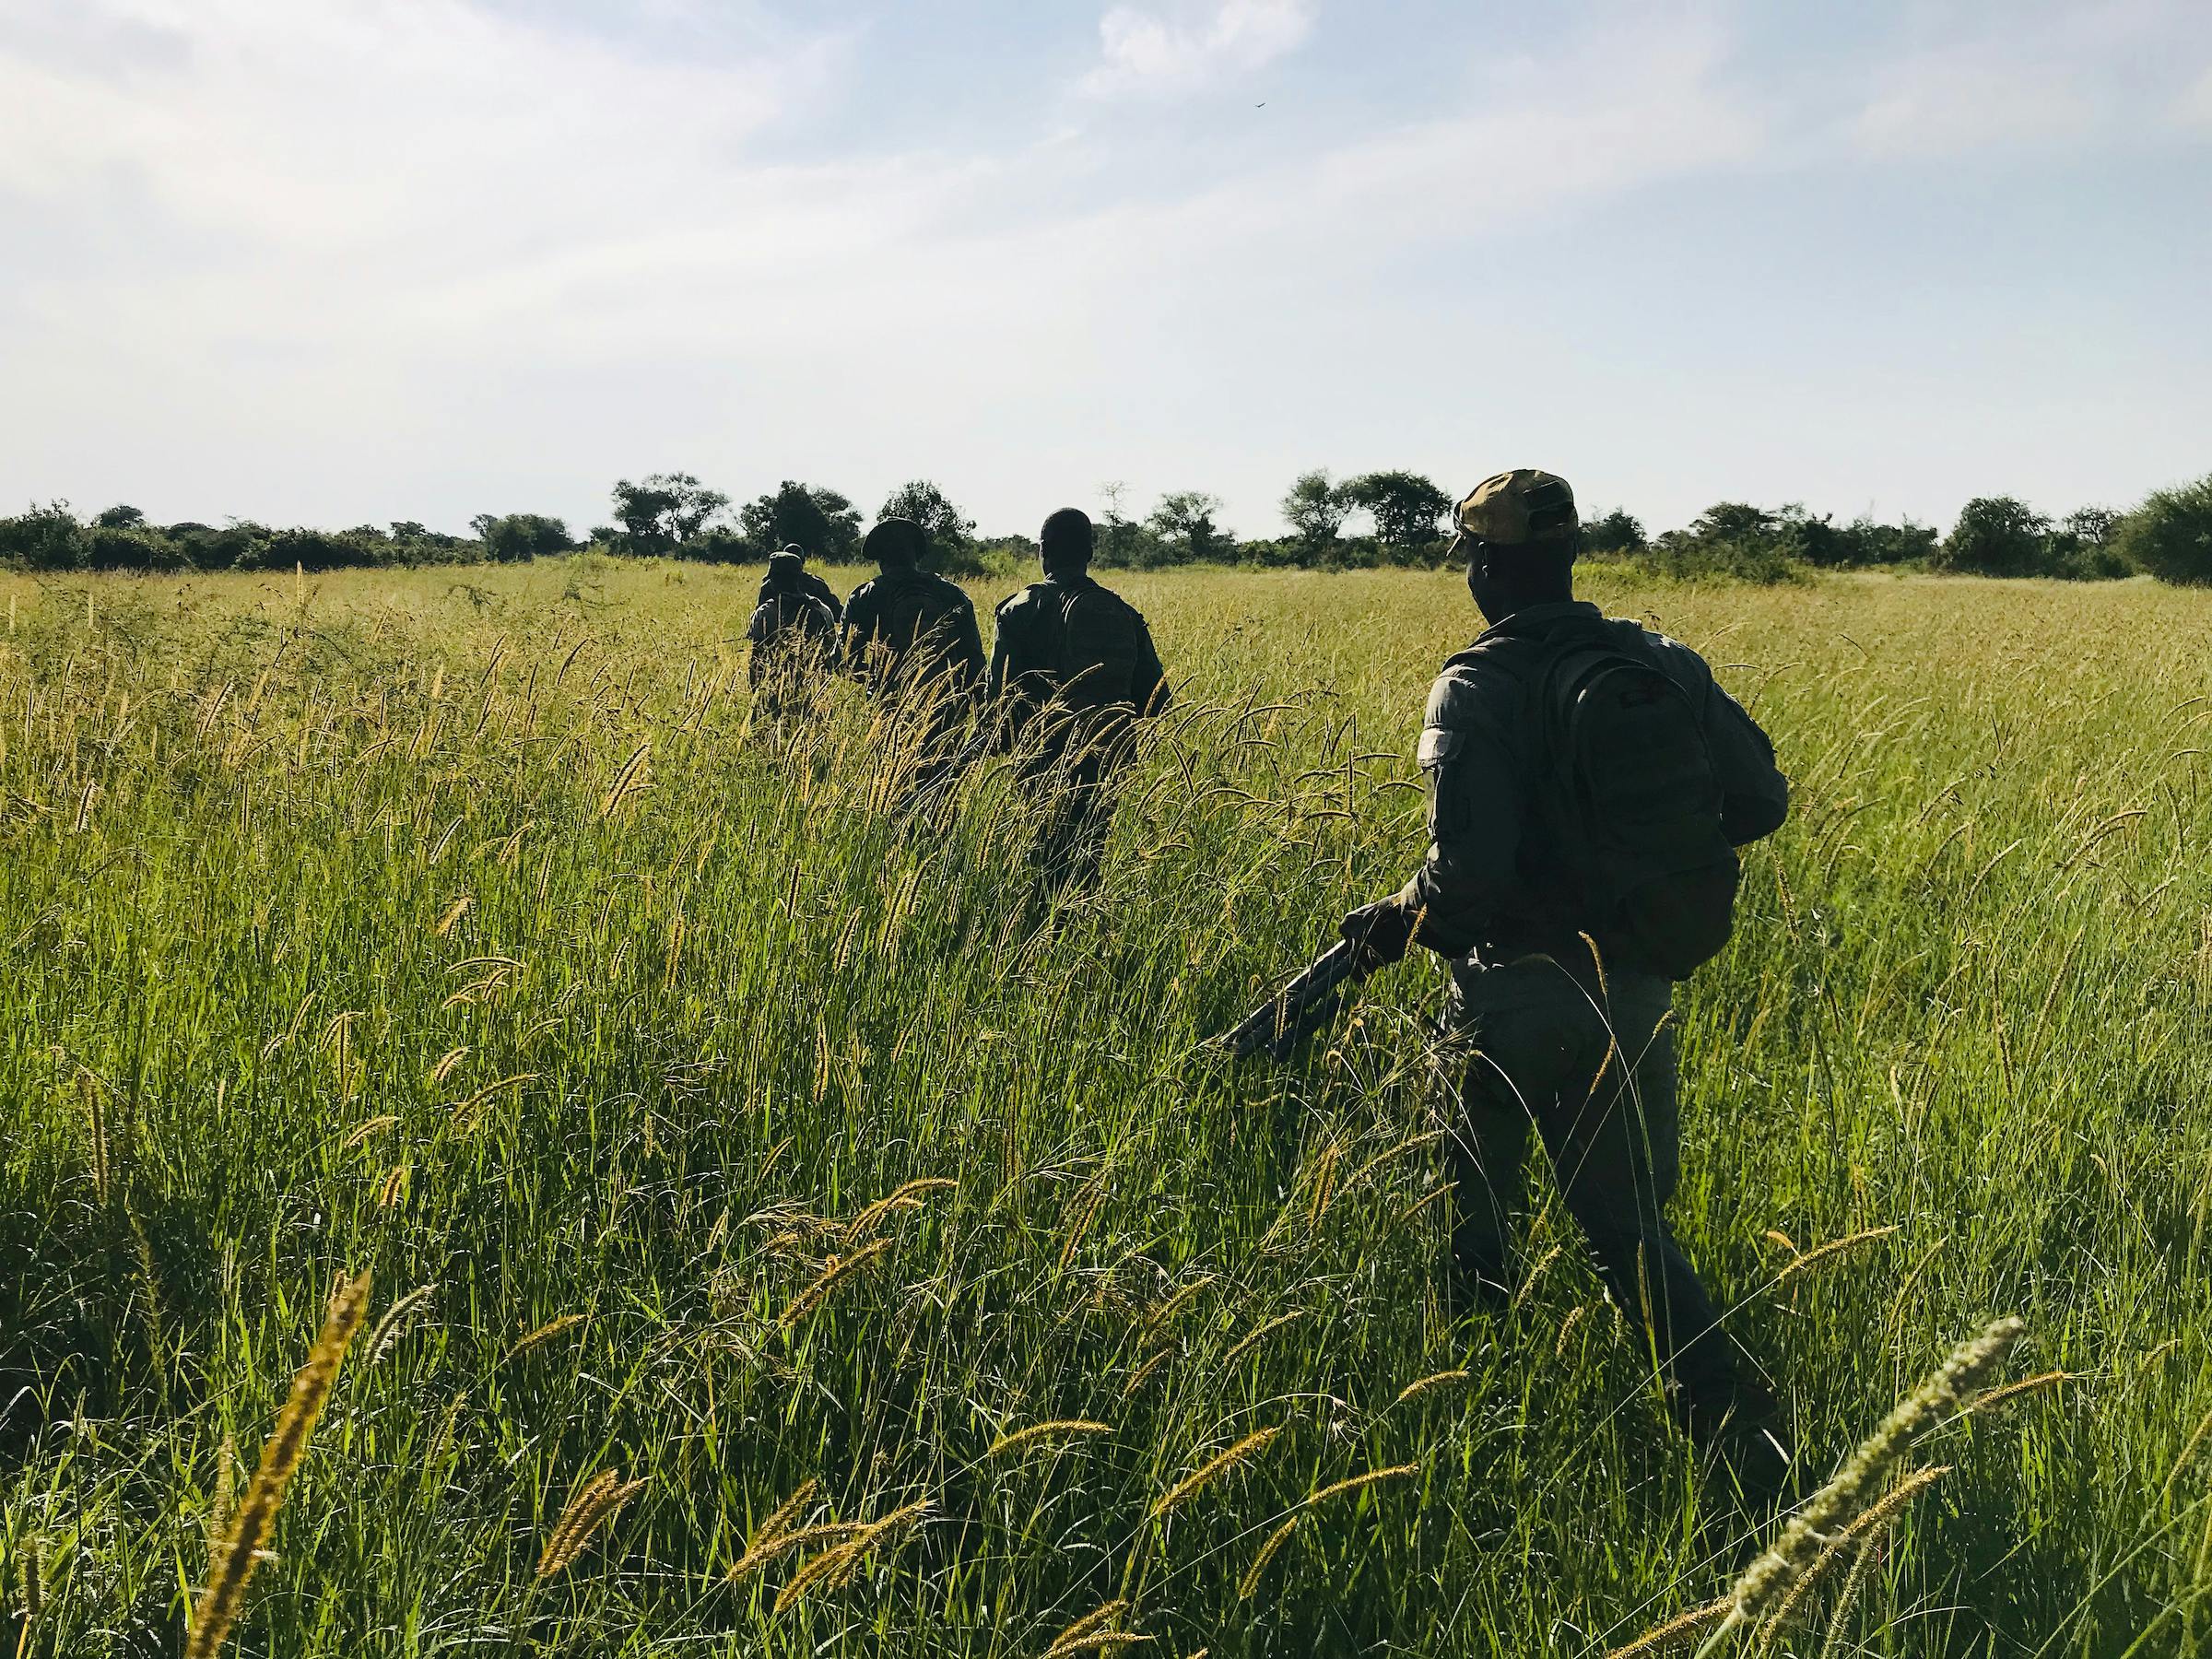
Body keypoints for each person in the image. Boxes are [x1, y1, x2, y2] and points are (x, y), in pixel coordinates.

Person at [1337, 467, 1793, 1500]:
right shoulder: (1662, 660)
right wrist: (1630, 868)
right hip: (1635, 986)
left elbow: (1465, 882)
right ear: (1571, 553)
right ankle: (1741, 1447)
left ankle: (1475, 1422)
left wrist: (1396, 921)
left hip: (1510, 993)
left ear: (1489, 565)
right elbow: (1760, 799)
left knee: (1472, 1213)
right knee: (1628, 1226)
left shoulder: (1474, 683)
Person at [984, 508, 1170, 894]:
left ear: (1043, 551)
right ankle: (1080, 926)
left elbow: (997, 696)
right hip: (1104, 754)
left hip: (1040, 754)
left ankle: (1039, 932)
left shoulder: (1018, 610)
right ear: (1090, 554)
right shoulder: (1122, 613)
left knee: (1040, 857)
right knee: (1088, 852)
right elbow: (1157, 699)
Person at [841, 516, 985, 770]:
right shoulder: (952, 594)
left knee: (891, 791)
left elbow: (846, 661)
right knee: (942, 793)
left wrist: (879, 677)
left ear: (881, 559)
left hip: (890, 712)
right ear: (917, 555)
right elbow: (975, 663)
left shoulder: (865, 597)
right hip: (946, 712)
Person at [745, 548, 840, 738]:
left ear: (775, 580)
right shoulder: (822, 610)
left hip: (774, 691)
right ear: (798, 577)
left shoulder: (765, 613)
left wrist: (757, 696)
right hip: (813, 690)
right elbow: (832, 656)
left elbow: (756, 663)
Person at [757, 542, 843, 625]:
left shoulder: (769, 585)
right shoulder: (816, 585)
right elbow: (838, 614)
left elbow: (758, 621)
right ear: (803, 562)